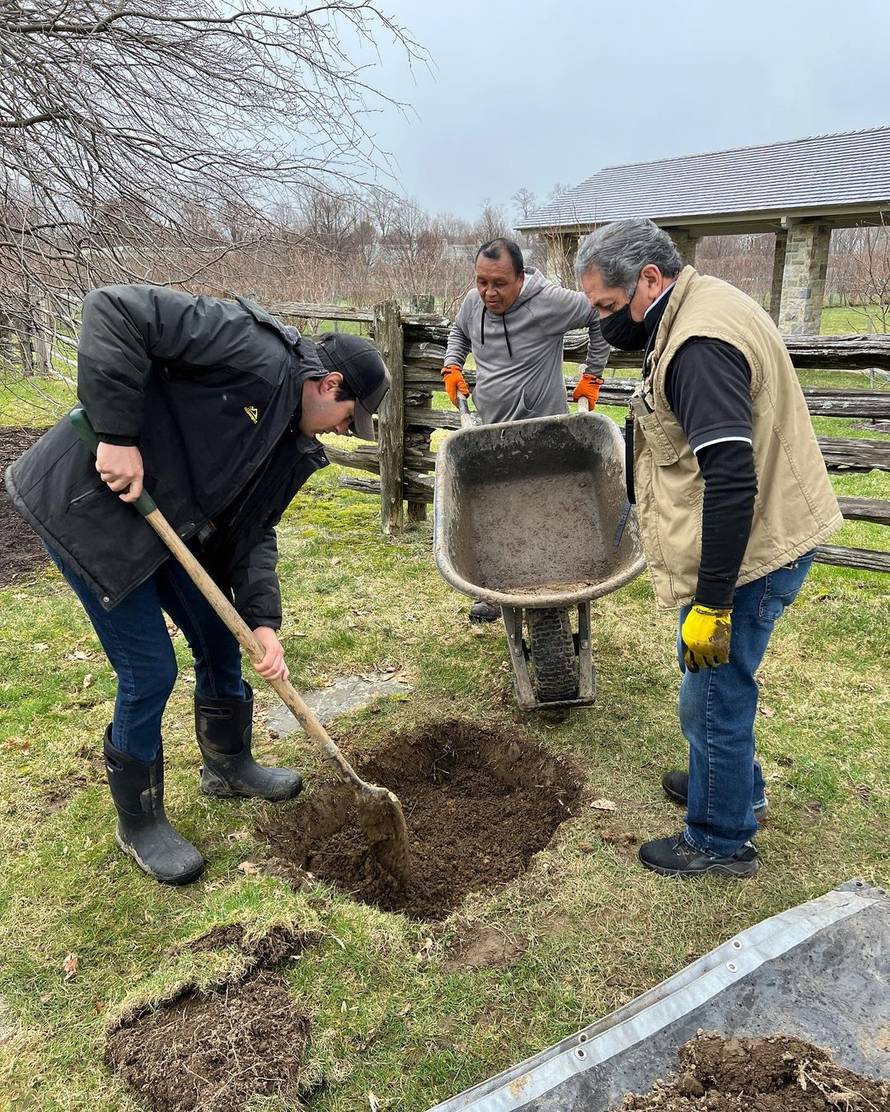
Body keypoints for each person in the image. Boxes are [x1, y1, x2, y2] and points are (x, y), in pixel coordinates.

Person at [6, 285, 390, 886]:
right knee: (149, 670)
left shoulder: (294, 442)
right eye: (350, 417)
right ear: (330, 383)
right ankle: (139, 824)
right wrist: (117, 435)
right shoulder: (251, 349)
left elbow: (255, 531)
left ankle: (228, 764)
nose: (346, 431)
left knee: (219, 635)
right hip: (91, 507)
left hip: (170, 520)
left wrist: (263, 622)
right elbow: (115, 308)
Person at [575, 218, 841, 879]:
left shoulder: (697, 344)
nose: (605, 324)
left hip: (752, 552)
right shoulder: (703, 299)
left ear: (649, 280)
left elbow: (730, 478)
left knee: (715, 691)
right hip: (764, 536)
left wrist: (715, 604)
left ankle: (720, 840)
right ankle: (727, 784)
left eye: (609, 307)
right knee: (711, 683)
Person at [441, 236, 611, 621]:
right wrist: (453, 364)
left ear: (521, 277)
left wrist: (593, 375)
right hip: (492, 434)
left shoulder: (549, 302)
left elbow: (601, 315)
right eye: (482, 281)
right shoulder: (473, 303)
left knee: (548, 510)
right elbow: (460, 333)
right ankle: (495, 594)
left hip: (544, 434)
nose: (489, 292)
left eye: (499, 283)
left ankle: (560, 584)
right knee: (497, 516)